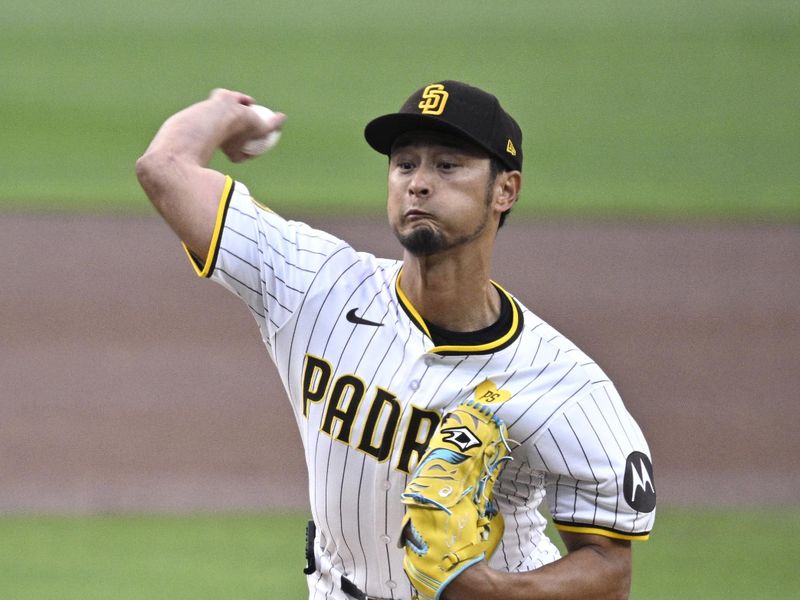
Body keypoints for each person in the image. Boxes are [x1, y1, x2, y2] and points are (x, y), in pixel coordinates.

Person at [136, 81, 656, 600]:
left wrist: (491, 591)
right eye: (405, 164)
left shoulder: (564, 385)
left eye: (447, 166)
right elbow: (165, 169)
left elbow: (611, 571)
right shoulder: (314, 284)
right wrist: (223, 112)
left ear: (505, 190)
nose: (419, 184)